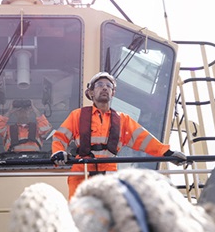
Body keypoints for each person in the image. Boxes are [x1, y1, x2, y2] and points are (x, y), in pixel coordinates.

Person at [50, 71, 186, 197]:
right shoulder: (77, 115)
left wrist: (167, 153)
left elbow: (144, 139)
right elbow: (60, 137)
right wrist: (58, 152)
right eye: (99, 85)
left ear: (113, 93)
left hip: (110, 174)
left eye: (109, 86)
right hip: (81, 172)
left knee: (111, 215)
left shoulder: (123, 120)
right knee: (79, 214)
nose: (105, 88)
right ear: (91, 92)